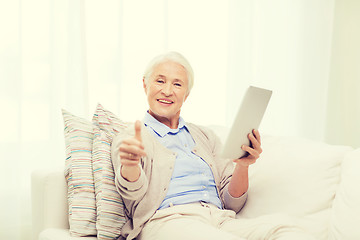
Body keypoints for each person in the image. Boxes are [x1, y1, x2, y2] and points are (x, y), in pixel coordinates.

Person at [111, 52, 316, 240]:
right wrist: (130, 165)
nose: (167, 91)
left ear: (187, 94)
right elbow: (132, 194)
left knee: (288, 230)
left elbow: (233, 203)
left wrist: (243, 165)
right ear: (145, 85)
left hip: (219, 220)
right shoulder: (131, 137)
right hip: (168, 221)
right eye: (160, 81)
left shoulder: (205, 136)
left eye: (177, 84)